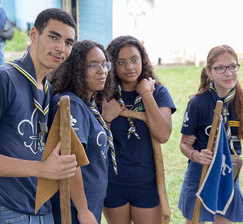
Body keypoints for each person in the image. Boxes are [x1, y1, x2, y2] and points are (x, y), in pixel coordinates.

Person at [0, 8, 78, 223]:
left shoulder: (46, 88)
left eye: (69, 42)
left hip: (41, 209)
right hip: (9, 210)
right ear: (34, 35)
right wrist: (43, 169)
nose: (61, 48)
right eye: (53, 37)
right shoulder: (0, 78)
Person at [102, 35, 176, 224]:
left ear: (143, 60)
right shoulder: (105, 95)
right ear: (112, 65)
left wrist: (145, 93)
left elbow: (163, 135)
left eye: (135, 60)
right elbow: (95, 142)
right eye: (121, 62)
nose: (130, 67)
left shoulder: (158, 92)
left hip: (147, 183)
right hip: (113, 183)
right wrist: (106, 119)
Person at [49, 40, 116, 223]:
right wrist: (83, 210)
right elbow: (71, 159)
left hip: (91, 203)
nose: (102, 70)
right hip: (74, 209)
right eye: (93, 65)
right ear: (77, 69)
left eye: (104, 64)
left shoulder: (87, 102)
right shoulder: (71, 104)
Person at [178, 44, 243, 223]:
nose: (228, 73)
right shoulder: (198, 103)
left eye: (232, 66)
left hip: (228, 170)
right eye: (220, 68)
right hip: (200, 170)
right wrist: (196, 155)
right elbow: (184, 144)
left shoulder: (240, 100)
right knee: (194, 218)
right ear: (209, 71)